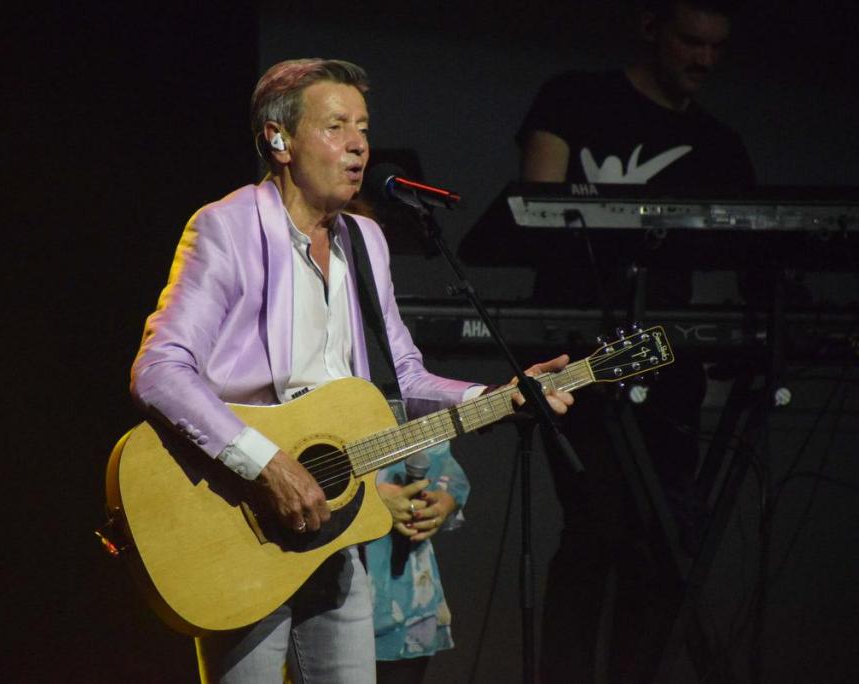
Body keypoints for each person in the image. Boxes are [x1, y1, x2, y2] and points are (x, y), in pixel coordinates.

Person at [131, 58, 574, 683]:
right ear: (279, 140)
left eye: (363, 128)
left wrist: (499, 395)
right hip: (239, 514)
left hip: (335, 529)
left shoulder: (365, 240)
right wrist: (268, 465)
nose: (359, 144)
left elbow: (405, 378)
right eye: (336, 126)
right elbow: (159, 370)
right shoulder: (227, 228)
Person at [517, 1, 754, 681]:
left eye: (716, 47)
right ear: (652, 28)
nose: (704, 60)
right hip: (574, 353)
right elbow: (536, 211)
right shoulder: (574, 98)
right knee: (596, 527)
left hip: (664, 358)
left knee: (659, 543)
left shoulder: (719, 144)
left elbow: (754, 256)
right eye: (690, 42)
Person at [366, 442, 470, 684]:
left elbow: (450, 471)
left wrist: (442, 503)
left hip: (406, 596)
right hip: (335, 595)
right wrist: (369, 500)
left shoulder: (411, 417)